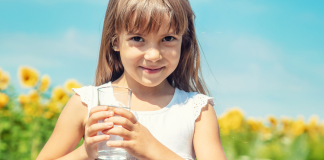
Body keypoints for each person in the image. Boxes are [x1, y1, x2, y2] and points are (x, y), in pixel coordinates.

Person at [37, 0, 227, 159]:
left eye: (168, 38)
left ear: (183, 42)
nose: (153, 55)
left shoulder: (196, 110)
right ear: (115, 42)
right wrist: (85, 152)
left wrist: (153, 149)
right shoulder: (88, 103)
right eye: (137, 38)